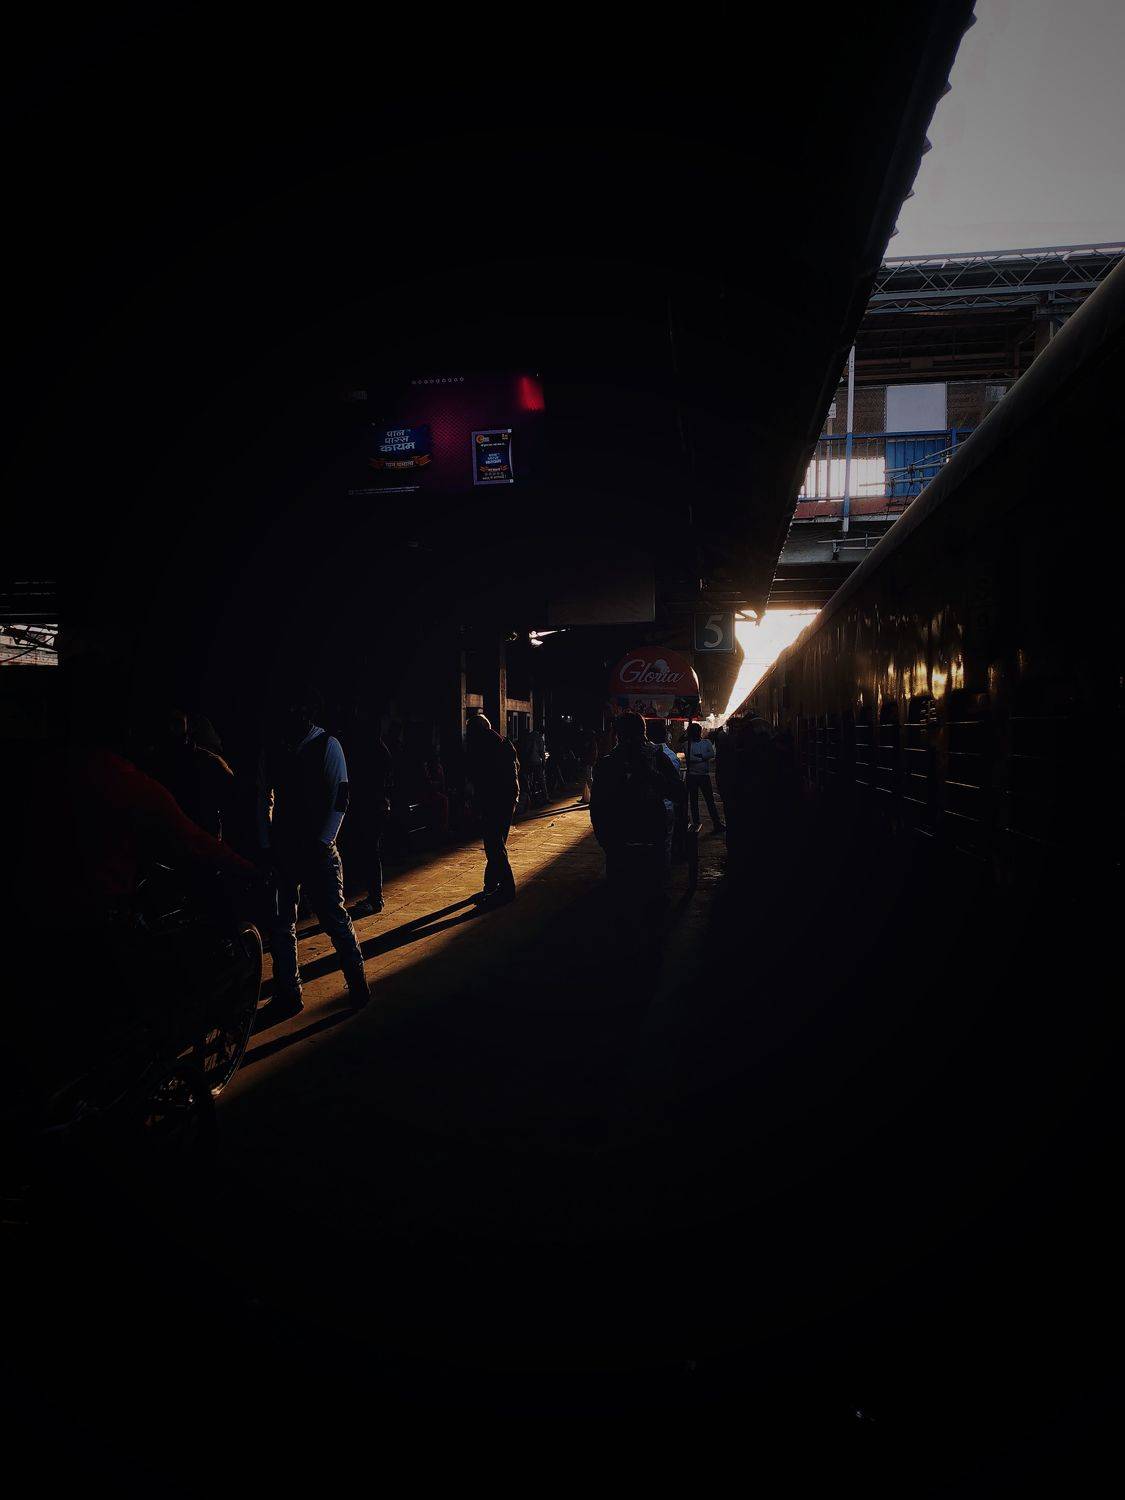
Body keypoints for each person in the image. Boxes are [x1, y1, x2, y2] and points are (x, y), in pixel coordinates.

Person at [257, 686, 371, 1016]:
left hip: (315, 850)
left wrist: (322, 843)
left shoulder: (327, 745)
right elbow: (264, 797)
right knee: (282, 925)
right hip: (286, 848)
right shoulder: (279, 748)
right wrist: (267, 844)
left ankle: (357, 983)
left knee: (332, 919)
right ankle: (288, 993)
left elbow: (340, 799)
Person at [590, 712, 683, 898]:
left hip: (635, 839)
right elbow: (679, 792)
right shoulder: (655, 758)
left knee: (625, 893)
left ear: (617, 735)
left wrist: (605, 839)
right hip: (635, 839)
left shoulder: (610, 763)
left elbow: (597, 808)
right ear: (644, 733)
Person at [142, 706, 235, 839]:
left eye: (177, 723)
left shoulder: (207, 760)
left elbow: (230, 792)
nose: (172, 729)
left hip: (195, 837)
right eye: (169, 723)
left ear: (189, 726)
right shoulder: (156, 762)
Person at [464, 712, 520, 906]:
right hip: (508, 797)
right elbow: (516, 768)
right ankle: (490, 885)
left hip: (495, 800)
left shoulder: (484, 745)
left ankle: (507, 888)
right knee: (497, 843)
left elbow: (481, 776)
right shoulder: (503, 742)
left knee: (494, 845)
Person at [348, 706, 393, 919]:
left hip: (371, 807)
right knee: (371, 852)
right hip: (378, 806)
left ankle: (375, 898)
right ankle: (374, 896)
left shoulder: (373, 751)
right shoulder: (381, 749)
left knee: (370, 852)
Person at [646, 718, 684, 871]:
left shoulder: (650, 755)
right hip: (665, 805)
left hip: (657, 805)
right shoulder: (670, 755)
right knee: (663, 845)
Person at [685, 722, 724, 833]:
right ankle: (702, 823)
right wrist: (703, 757)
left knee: (707, 800)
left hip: (700, 775)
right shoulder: (689, 744)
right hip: (695, 776)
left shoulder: (704, 742)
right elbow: (691, 758)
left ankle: (713, 823)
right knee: (696, 801)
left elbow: (711, 754)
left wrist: (698, 757)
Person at [578, 727, 599, 805]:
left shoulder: (592, 743)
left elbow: (592, 754)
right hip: (588, 763)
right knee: (586, 780)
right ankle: (586, 797)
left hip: (588, 763)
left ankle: (592, 796)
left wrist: (590, 762)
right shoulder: (591, 743)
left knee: (589, 779)